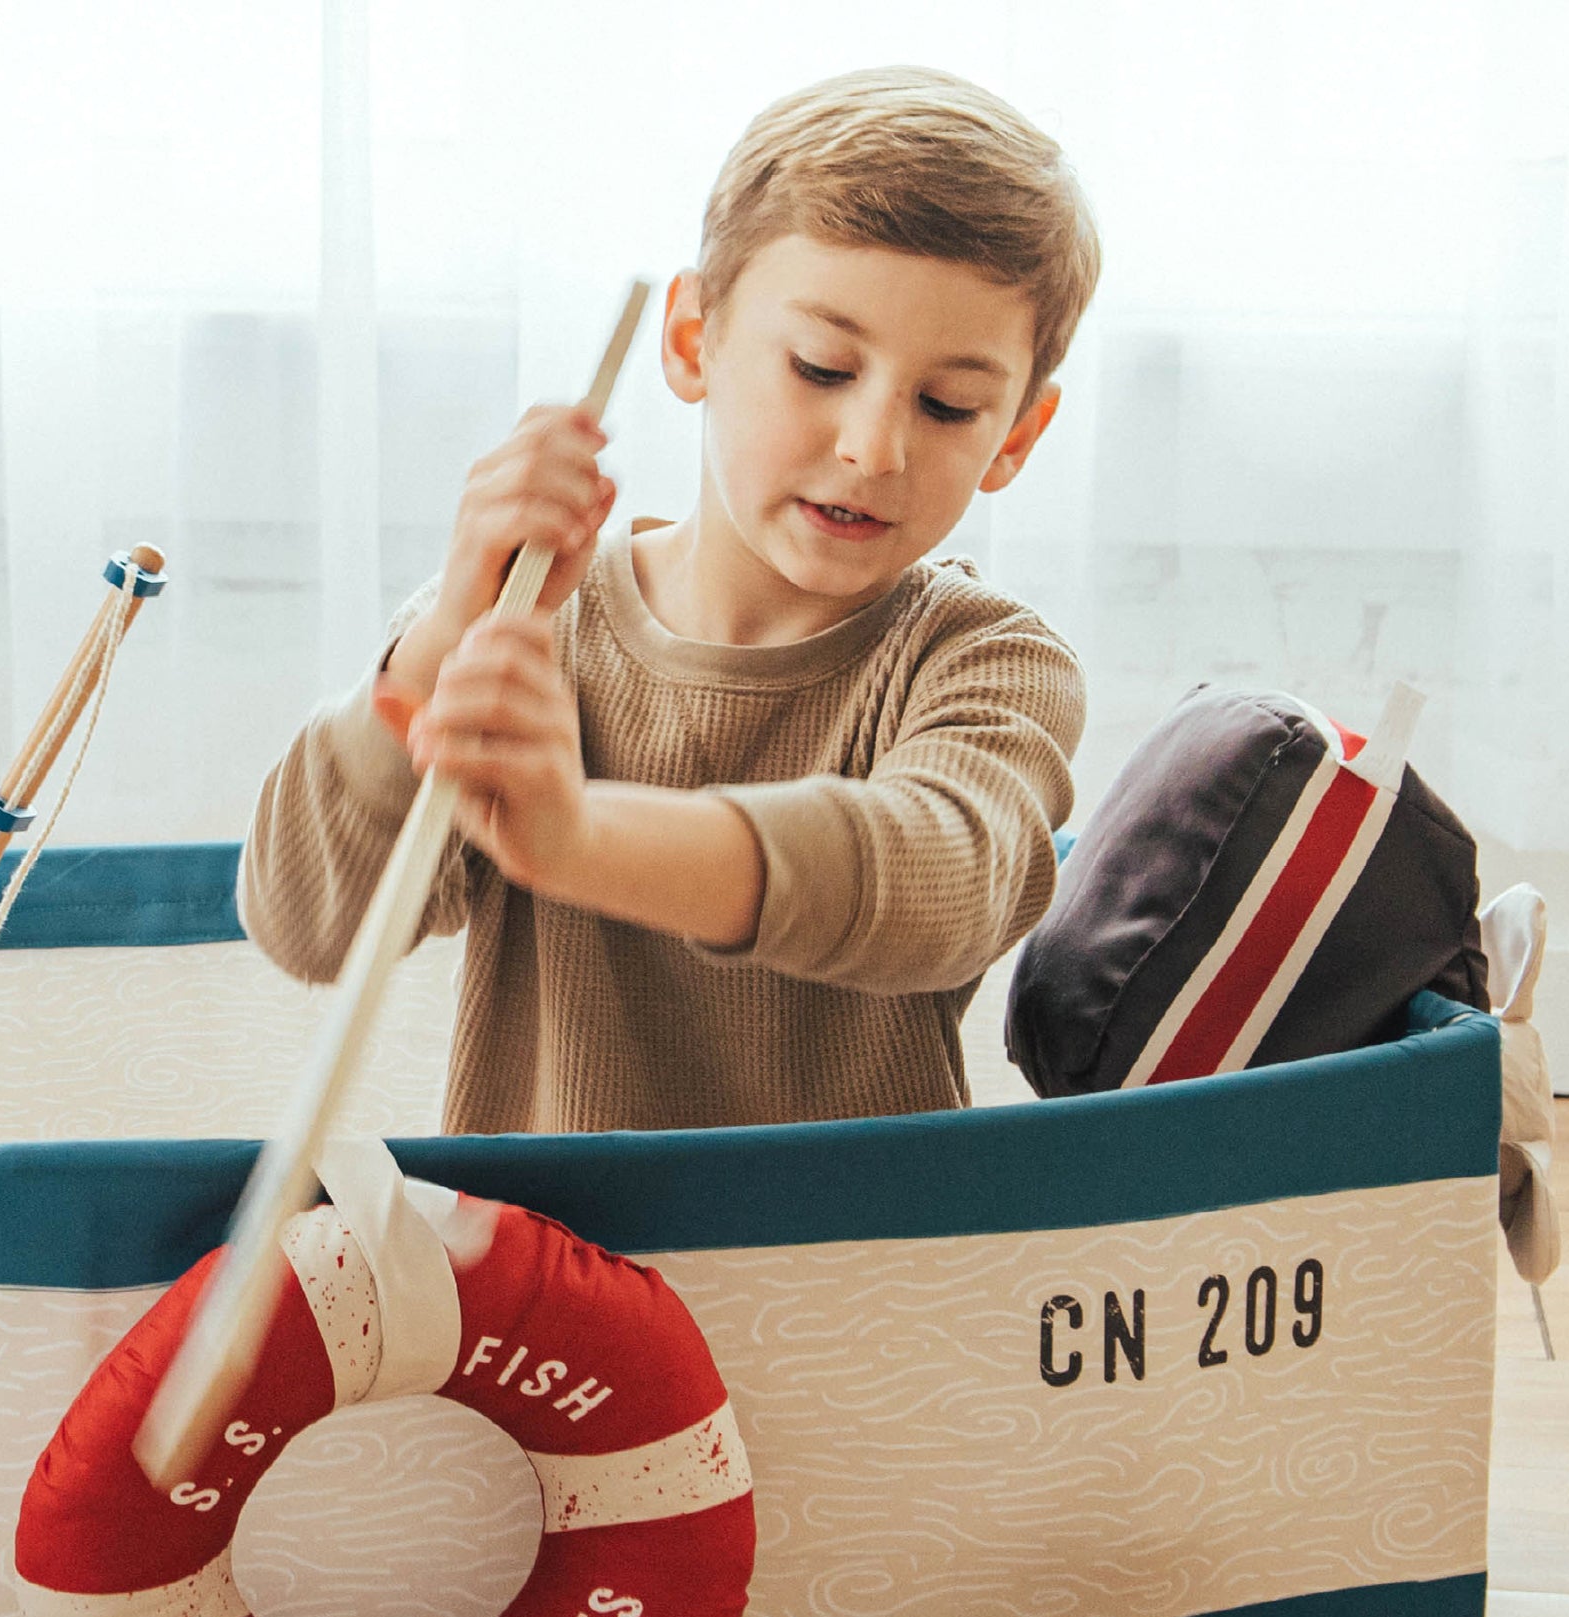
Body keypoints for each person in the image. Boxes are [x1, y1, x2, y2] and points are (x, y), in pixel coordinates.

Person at [248, 66, 1099, 1132]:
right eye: (822, 366)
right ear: (694, 339)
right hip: (539, 1280)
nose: (872, 447)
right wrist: (442, 638)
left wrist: (583, 842)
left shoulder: (986, 658)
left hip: (843, 1281)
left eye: (947, 404)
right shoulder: (519, 624)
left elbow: (938, 879)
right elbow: (304, 922)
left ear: (1014, 434)